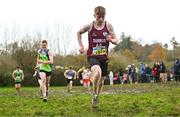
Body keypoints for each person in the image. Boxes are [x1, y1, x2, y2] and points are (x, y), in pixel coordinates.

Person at [77, 6, 118, 107]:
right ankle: (94, 90)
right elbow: (79, 32)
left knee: (101, 80)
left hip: (104, 57)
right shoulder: (90, 26)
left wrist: (111, 40)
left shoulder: (108, 26)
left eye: (102, 17)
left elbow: (116, 40)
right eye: (98, 17)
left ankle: (96, 96)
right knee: (97, 71)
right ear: (94, 15)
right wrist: (81, 45)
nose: (100, 19)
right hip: (92, 56)